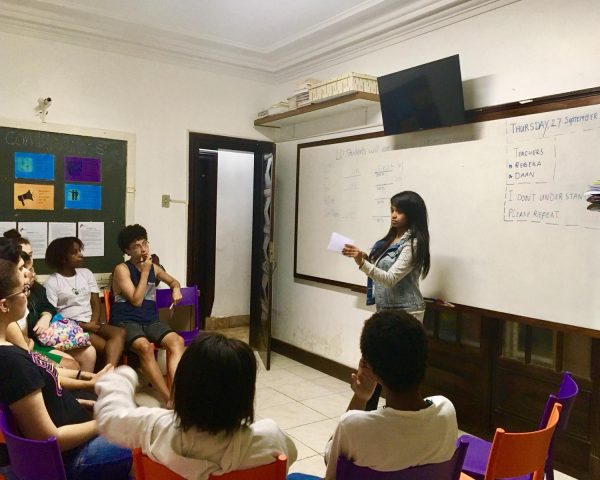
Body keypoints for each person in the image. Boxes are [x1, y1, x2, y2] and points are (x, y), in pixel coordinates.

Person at [95, 333, 297, 479]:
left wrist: (122, 377)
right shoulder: (269, 437)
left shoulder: (153, 426)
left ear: (182, 386)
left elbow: (110, 418)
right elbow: (290, 457)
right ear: (245, 395)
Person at [0, 258, 132, 480]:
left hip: (72, 434)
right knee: (139, 437)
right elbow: (48, 439)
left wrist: (82, 403)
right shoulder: (11, 362)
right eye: (23, 290)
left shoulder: (11, 349)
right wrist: (103, 423)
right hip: (68, 459)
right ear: (4, 305)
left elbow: (40, 404)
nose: (27, 294)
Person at [290, 310, 457, 480]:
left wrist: (361, 397)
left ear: (373, 369)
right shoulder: (446, 411)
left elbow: (329, 460)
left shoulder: (353, 426)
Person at [110, 224, 185, 404]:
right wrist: (144, 273)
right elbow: (136, 301)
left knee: (177, 341)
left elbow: (173, 281)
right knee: (145, 347)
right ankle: (168, 399)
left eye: (145, 243)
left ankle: (175, 394)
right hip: (125, 320)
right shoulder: (122, 269)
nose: (143, 249)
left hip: (150, 320)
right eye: (137, 246)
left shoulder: (154, 268)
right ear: (127, 250)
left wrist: (176, 289)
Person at [342, 190, 430, 321]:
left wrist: (362, 263)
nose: (393, 215)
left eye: (399, 211)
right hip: (386, 309)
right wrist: (364, 258)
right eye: (392, 210)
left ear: (412, 214)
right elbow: (381, 270)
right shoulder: (388, 241)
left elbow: (390, 279)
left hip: (408, 312)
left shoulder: (413, 244)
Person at [44, 237, 126, 370]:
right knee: (107, 347)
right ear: (63, 258)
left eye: (80, 251)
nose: (80, 255)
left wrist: (92, 323)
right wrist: (83, 325)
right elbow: (52, 315)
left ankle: (107, 375)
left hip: (91, 322)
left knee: (120, 333)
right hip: (70, 328)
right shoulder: (53, 282)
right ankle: (107, 376)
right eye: (74, 252)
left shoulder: (86, 274)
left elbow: (95, 301)